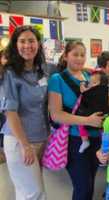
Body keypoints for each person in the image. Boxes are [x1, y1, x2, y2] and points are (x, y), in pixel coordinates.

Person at [48, 40, 104, 200]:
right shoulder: (57, 79)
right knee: (82, 187)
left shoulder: (89, 76)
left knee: (91, 184)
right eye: (75, 54)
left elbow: (101, 100)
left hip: (95, 138)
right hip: (73, 140)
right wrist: (87, 121)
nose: (79, 58)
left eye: (82, 55)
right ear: (65, 56)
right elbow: (56, 115)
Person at [2, 26, 48, 200]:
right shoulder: (10, 73)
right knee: (34, 193)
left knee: (25, 191)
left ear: (38, 44)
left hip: (40, 138)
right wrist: (25, 145)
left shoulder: (40, 70)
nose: (27, 45)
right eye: (22, 41)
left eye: (31, 41)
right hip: (20, 141)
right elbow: (10, 112)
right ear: (15, 45)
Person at [77, 70, 109, 153]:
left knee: (80, 122)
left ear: (102, 84)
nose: (91, 85)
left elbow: (85, 97)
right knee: (104, 129)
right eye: (90, 82)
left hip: (91, 116)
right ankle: (103, 144)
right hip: (103, 115)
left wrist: (83, 90)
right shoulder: (106, 92)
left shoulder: (94, 92)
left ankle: (85, 140)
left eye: (94, 82)